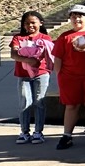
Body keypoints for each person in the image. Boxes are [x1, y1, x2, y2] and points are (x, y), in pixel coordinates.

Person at [53, 4, 85, 149]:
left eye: (80, 16)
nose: (77, 19)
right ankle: (67, 135)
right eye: (73, 16)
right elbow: (58, 59)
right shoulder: (64, 36)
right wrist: (60, 76)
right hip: (69, 78)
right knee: (72, 106)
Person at [10, 11, 53, 145]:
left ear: (40, 23)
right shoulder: (18, 38)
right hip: (23, 75)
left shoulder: (45, 38)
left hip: (41, 73)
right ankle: (24, 132)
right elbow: (14, 54)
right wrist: (28, 60)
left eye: (33, 22)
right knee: (25, 102)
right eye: (27, 23)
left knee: (39, 102)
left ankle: (38, 132)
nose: (30, 25)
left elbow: (50, 55)